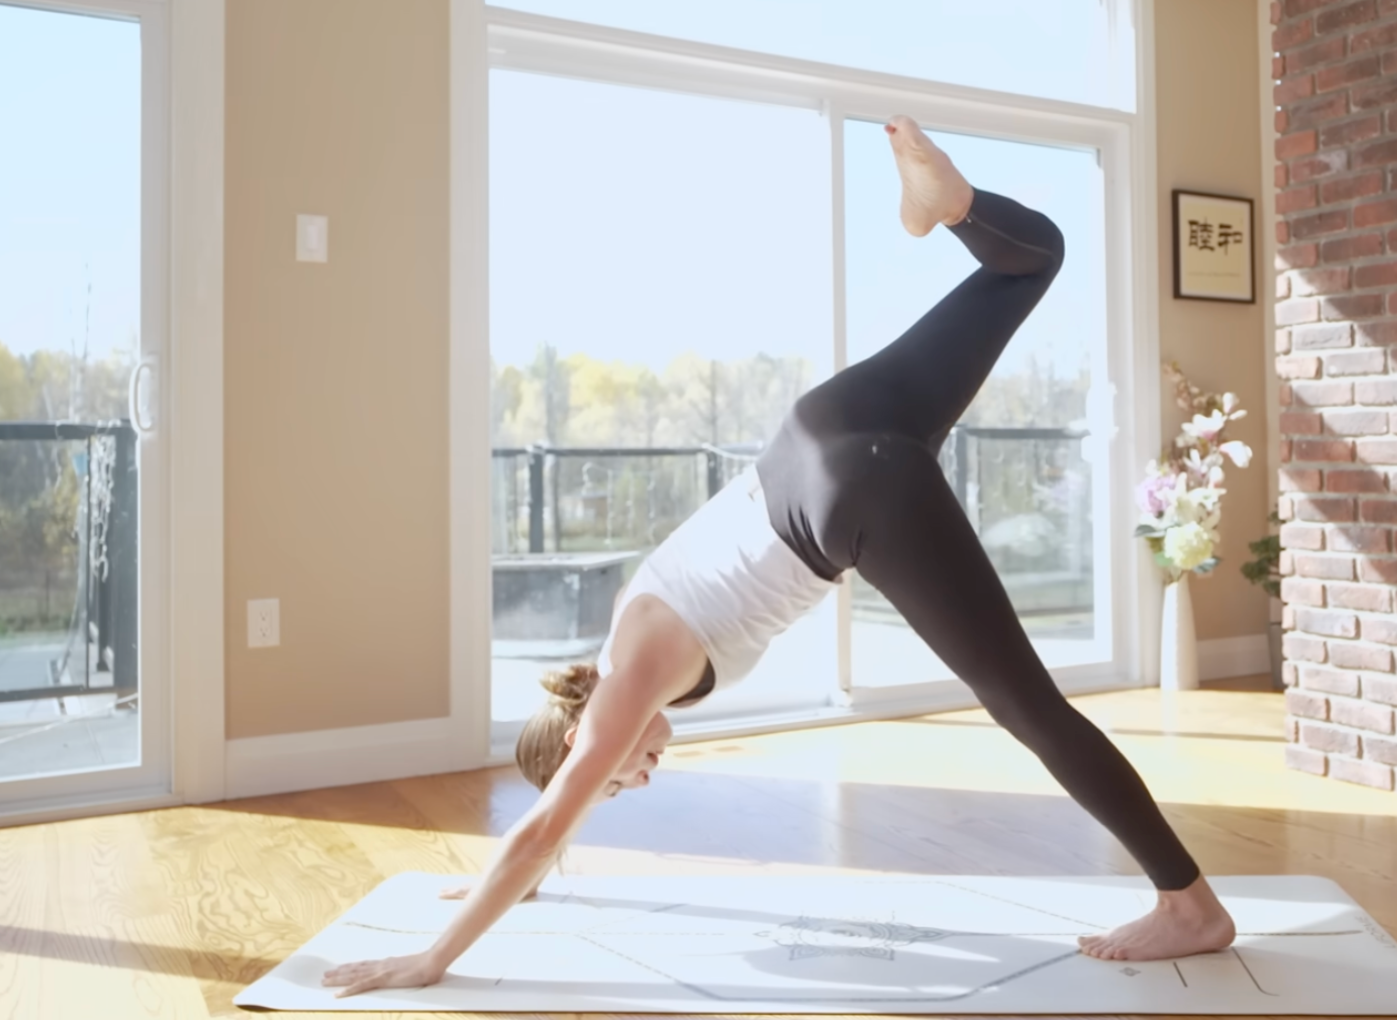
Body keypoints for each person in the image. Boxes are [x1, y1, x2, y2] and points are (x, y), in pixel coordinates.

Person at [322, 117, 1236, 999]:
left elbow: (543, 824)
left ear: (577, 740)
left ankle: (1187, 905)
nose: (634, 777)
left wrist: (431, 958)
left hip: (848, 492)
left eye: (614, 776)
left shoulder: (628, 679)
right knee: (1031, 260)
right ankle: (949, 206)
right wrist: (506, 880)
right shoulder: (626, 632)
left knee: (1026, 706)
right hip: (818, 428)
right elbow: (543, 833)